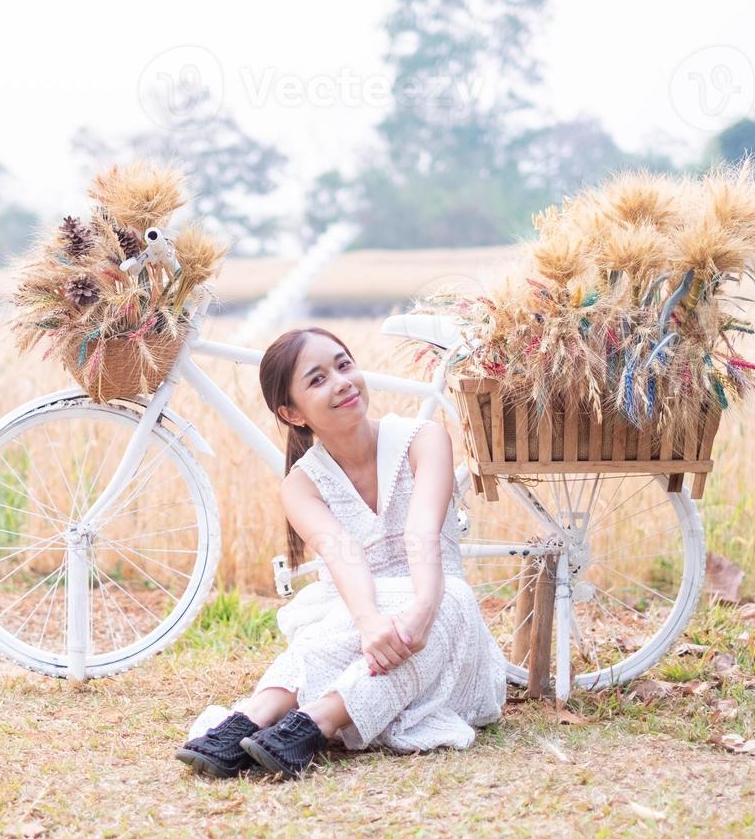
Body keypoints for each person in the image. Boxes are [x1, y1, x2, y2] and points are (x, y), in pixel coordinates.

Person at [175, 327, 507, 780]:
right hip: (354, 615)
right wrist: (371, 622)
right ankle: (254, 716)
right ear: (291, 413)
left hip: (438, 620)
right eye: (317, 379)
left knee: (453, 599)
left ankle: (317, 721)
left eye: (344, 364)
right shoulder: (301, 484)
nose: (342, 382)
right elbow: (342, 554)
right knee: (340, 624)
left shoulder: (424, 440)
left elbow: (422, 533)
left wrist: (422, 611)